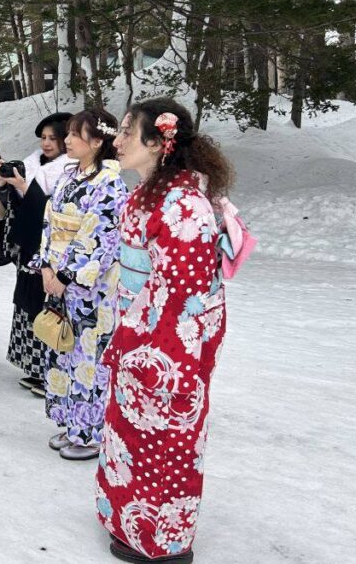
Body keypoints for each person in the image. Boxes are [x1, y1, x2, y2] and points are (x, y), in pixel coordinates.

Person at [96, 98, 233, 563]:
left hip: (171, 345)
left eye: (127, 133)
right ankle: (128, 523)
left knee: (166, 439)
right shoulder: (152, 191)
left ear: (158, 142)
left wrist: (146, 347)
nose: (116, 140)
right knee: (130, 435)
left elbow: (184, 295)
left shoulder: (185, 205)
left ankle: (165, 540)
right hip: (140, 331)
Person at [36, 110, 128, 460]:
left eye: (76, 134)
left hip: (91, 287)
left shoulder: (109, 183)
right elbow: (50, 223)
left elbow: (100, 236)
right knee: (63, 349)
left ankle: (90, 431)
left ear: (98, 142)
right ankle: (71, 421)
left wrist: (64, 274)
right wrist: (46, 265)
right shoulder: (69, 174)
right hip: (59, 277)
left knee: (89, 354)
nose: (68, 139)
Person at [0, 112, 75, 394]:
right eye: (43, 138)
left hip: (54, 253)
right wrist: (5, 186)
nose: (47, 143)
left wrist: (24, 187)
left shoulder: (71, 169)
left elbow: (53, 211)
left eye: (54, 138)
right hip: (29, 247)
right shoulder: (32, 164)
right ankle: (32, 366)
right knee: (27, 304)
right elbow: (14, 206)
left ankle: (50, 372)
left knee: (48, 307)